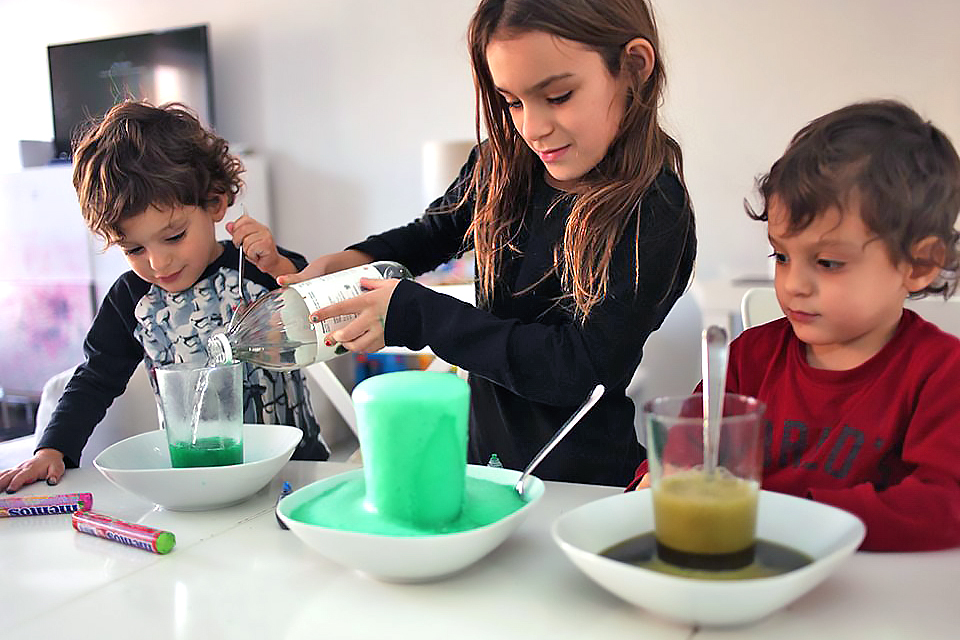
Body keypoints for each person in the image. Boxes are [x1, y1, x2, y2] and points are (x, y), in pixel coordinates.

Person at [279, 0, 696, 485]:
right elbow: (435, 232)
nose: (532, 128)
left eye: (558, 96)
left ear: (633, 68)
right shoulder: (503, 162)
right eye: (512, 102)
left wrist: (423, 315)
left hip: (582, 484)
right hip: (486, 469)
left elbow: (580, 369)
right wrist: (358, 258)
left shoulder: (655, 209)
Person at [630, 100, 960, 551]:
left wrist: (788, 513)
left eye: (827, 262)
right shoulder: (747, 357)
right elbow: (683, 451)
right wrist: (655, 481)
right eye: (781, 256)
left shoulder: (941, 374)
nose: (794, 284)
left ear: (919, 264)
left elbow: (944, 506)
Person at [0, 101, 328, 493]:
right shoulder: (132, 299)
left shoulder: (254, 266)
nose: (158, 262)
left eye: (173, 236)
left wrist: (276, 263)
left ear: (215, 202)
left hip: (297, 468)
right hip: (198, 478)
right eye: (134, 249)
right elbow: (94, 379)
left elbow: (314, 305)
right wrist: (52, 449)